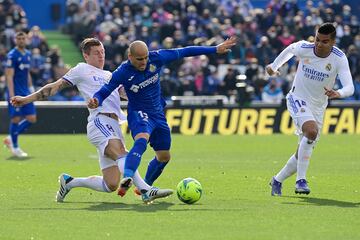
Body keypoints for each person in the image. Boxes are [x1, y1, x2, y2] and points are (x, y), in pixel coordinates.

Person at [10, 38, 173, 204]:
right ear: (85, 55)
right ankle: (146, 190)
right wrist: (27, 99)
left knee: (110, 184)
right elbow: (55, 86)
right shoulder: (82, 69)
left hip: (114, 125)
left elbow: (130, 93)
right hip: (100, 121)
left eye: (102, 52)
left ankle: (70, 182)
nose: (101, 56)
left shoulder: (111, 75)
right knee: (123, 155)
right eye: (96, 53)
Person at [88, 37, 237, 196]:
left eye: (145, 58)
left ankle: (144, 188)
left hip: (158, 114)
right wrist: (96, 99)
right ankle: (128, 177)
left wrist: (214, 49)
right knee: (141, 139)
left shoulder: (157, 57)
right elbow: (106, 89)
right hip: (139, 112)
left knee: (164, 156)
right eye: (139, 59)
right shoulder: (122, 72)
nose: (144, 62)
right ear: (130, 57)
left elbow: (185, 51)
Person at [266, 23, 354, 196]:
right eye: (317, 40)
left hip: (318, 107)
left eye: (325, 41)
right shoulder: (305, 48)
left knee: (302, 152)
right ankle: (301, 180)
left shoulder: (339, 58)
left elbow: (350, 87)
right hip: (297, 98)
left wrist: (339, 93)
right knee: (311, 132)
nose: (319, 44)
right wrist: (274, 66)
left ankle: (277, 180)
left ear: (333, 42)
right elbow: (290, 50)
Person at [3, 31, 36, 158]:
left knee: (32, 118)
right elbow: (9, 76)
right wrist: (12, 94)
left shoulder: (27, 54)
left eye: (23, 38)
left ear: (26, 39)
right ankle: (15, 147)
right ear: (15, 40)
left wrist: (31, 87)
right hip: (15, 92)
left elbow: (27, 73)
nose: (21, 40)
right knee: (16, 119)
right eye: (19, 38)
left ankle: (10, 138)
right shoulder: (12, 55)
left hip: (26, 92)